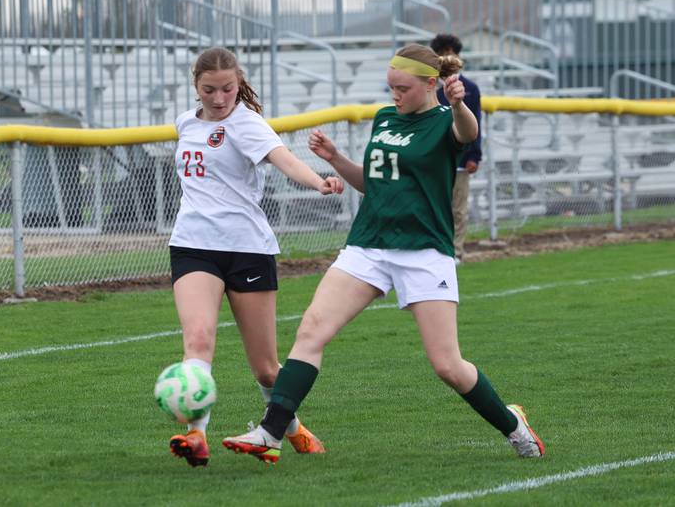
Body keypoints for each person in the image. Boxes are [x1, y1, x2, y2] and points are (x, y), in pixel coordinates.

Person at [222, 44, 544, 463]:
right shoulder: (385, 118)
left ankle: (514, 425)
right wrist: (336, 159)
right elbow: (372, 184)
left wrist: (461, 105)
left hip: (424, 250)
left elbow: (468, 134)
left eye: (403, 88)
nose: (394, 95)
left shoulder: (447, 120)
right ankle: (271, 431)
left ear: (431, 85)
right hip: (368, 244)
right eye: (390, 87)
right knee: (312, 331)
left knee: (447, 365)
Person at [166, 47, 344, 467]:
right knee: (198, 339)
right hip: (193, 245)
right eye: (209, 90)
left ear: (238, 84)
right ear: (196, 87)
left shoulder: (247, 123)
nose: (219, 97)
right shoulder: (186, 123)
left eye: (227, 88)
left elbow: (283, 160)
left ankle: (292, 427)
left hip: (247, 249)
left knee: (266, 369)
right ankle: (196, 436)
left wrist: (318, 182)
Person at [430, 33, 482, 264]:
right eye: (442, 53)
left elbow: (476, 124)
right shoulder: (431, 89)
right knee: (436, 207)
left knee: (458, 208)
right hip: (436, 158)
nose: (447, 57)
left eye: (451, 52)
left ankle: (456, 251)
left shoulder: (470, 88)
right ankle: (437, 250)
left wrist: (474, 155)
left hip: (460, 160)